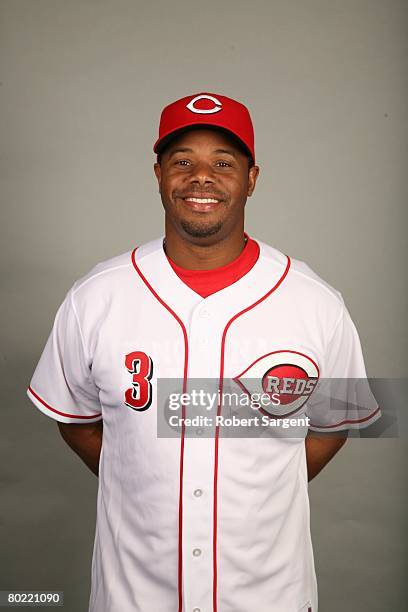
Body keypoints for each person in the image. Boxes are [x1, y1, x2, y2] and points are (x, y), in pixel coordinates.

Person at [27, 92, 381, 612]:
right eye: (183, 161)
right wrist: (142, 475)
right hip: (134, 597)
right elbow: (76, 420)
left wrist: (264, 481)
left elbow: (336, 422)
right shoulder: (97, 295)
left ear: (252, 178)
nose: (201, 177)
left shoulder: (314, 301)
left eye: (223, 162)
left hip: (270, 597)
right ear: (158, 175)